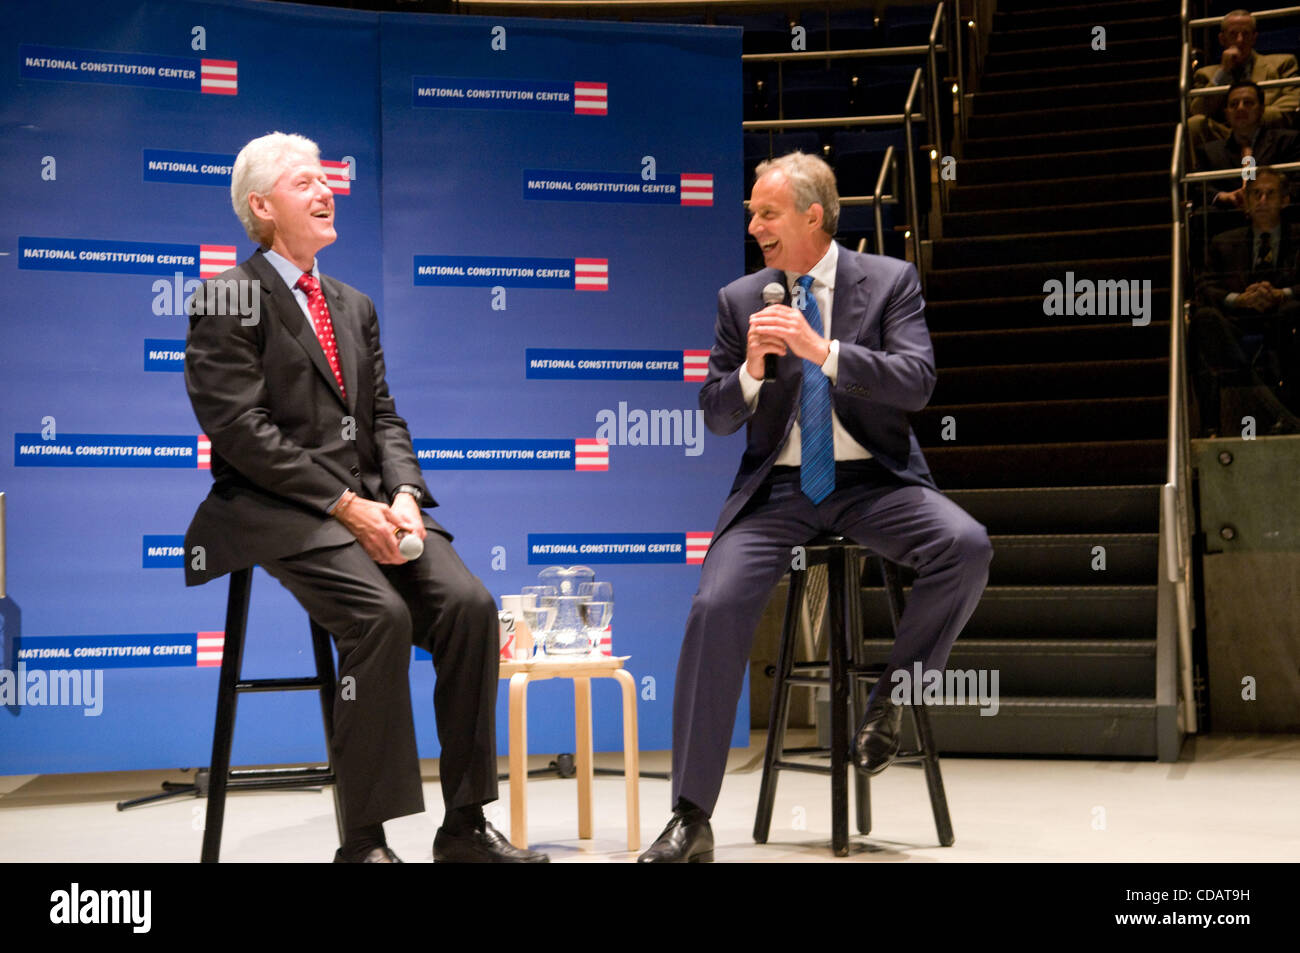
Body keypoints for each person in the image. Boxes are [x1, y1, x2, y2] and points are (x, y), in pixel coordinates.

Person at [183, 132, 547, 863]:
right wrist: (345, 506)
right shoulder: (227, 294)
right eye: (304, 182)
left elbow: (383, 416)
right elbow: (241, 430)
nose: (326, 191)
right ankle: (364, 842)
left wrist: (406, 493)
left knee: (472, 609)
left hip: (377, 505)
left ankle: (465, 826)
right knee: (380, 618)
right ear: (261, 207)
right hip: (279, 509)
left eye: (327, 178)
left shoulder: (353, 304)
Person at [637, 152, 992, 863]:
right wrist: (749, 372)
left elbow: (917, 382)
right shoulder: (741, 299)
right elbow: (713, 415)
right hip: (779, 491)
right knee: (713, 607)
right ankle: (690, 815)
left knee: (967, 544)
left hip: (875, 482)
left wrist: (823, 351)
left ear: (813, 215)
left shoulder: (889, 281)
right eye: (751, 214)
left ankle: (891, 699)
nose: (755, 225)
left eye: (766, 213)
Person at [1192, 168, 1300, 434]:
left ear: (1285, 200)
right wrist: (1238, 299)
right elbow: (1204, 285)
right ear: (1247, 202)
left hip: (1288, 318)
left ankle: (1279, 406)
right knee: (1204, 319)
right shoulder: (1222, 242)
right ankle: (1273, 408)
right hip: (1239, 322)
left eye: (1270, 194)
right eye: (1256, 194)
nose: (1262, 200)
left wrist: (1281, 293)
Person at [1190, 9, 1299, 152]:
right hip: (1226, 138)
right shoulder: (1205, 74)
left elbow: (1293, 101)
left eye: (1246, 34)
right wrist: (1223, 72)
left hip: (1267, 134)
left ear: (1254, 38)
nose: (1240, 40)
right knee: (1194, 124)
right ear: (1222, 39)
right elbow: (1197, 111)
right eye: (1233, 34)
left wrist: (1249, 117)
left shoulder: (1283, 63)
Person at [1195, 81, 1300, 209]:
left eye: (1248, 103)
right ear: (1227, 113)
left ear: (1262, 109)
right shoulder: (1209, 152)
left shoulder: (1288, 141)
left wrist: (1272, 197)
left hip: (1278, 217)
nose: (1240, 108)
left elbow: (1297, 182)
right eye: (1234, 104)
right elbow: (1197, 189)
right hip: (1231, 219)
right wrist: (1223, 196)